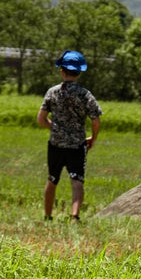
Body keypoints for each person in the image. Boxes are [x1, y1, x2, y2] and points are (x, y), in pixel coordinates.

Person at [37, 49, 102, 222]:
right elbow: (96, 120)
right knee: (77, 180)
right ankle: (74, 216)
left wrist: (56, 128)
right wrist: (92, 138)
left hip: (56, 144)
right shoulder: (85, 94)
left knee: (52, 179)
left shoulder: (52, 92)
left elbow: (41, 119)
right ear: (79, 72)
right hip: (77, 144)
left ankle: (48, 216)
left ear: (62, 70)